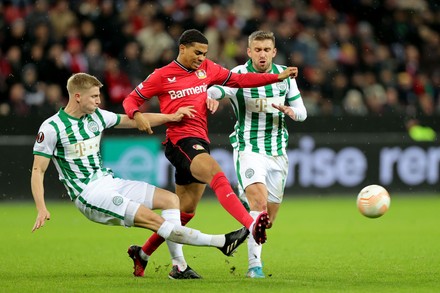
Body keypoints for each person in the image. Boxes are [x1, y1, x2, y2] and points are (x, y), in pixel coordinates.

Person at [30, 73, 250, 277]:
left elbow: (133, 119)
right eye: (94, 96)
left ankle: (179, 266)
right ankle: (221, 242)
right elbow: (38, 170)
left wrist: (171, 117)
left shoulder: (96, 117)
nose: (99, 101)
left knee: (171, 200)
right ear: (77, 97)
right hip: (88, 195)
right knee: (157, 222)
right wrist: (41, 207)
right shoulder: (52, 128)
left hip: (108, 181)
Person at [122, 28, 299, 279]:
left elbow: (240, 81)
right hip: (180, 141)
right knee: (216, 173)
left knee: (185, 212)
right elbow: (131, 100)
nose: (200, 58)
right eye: (197, 53)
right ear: (182, 48)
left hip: (199, 142)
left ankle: (143, 253)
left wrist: (276, 77)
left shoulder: (208, 68)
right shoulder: (162, 75)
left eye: (204, 53)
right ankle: (250, 225)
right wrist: (136, 115)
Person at [207, 31, 307, 278]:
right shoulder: (239, 75)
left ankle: (246, 218)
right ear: (249, 52)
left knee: (267, 221)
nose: (262, 54)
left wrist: (291, 112)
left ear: (274, 52)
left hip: (277, 154)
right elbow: (216, 90)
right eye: (257, 49)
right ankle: (254, 267)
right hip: (248, 150)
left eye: (267, 50)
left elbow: (302, 111)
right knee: (259, 205)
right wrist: (212, 98)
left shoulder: (285, 76)